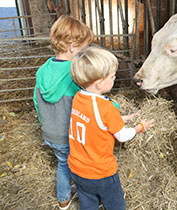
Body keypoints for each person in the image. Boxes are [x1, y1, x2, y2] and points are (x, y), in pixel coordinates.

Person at [68, 45, 155, 210]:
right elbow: (122, 136)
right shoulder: (106, 107)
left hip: (77, 169)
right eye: (112, 76)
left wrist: (120, 118)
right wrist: (139, 127)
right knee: (116, 205)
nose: (114, 79)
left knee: (88, 204)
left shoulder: (78, 98)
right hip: (100, 173)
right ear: (100, 84)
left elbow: (93, 120)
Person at [33, 15, 94, 210]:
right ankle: (79, 197)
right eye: (83, 48)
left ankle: (63, 199)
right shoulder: (74, 73)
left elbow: (36, 100)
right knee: (76, 165)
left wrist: (44, 124)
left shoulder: (43, 69)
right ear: (72, 47)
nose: (84, 53)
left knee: (62, 164)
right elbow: (89, 101)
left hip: (50, 132)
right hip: (69, 135)